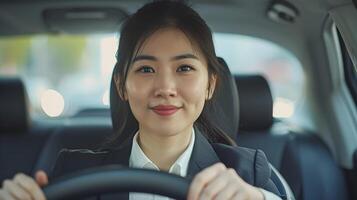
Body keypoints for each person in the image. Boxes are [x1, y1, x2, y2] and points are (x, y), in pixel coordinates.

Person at [0, 1, 286, 199]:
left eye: (184, 68)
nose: (165, 87)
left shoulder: (246, 174)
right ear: (121, 85)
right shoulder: (74, 174)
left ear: (210, 84)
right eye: (146, 69)